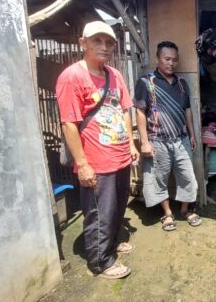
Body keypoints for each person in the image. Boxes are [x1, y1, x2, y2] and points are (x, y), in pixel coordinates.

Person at [56, 21, 140, 279]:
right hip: (95, 160)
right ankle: (100, 262)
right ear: (83, 43)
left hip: (120, 156)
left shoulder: (114, 74)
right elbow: (69, 123)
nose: (104, 47)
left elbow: (125, 109)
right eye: (97, 41)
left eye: (109, 42)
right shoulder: (72, 77)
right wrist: (82, 164)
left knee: (116, 207)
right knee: (98, 213)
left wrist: (131, 144)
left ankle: (111, 245)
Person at [134, 41, 202, 231]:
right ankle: (167, 213)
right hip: (157, 141)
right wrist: (144, 142)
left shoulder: (181, 84)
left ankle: (185, 210)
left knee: (188, 177)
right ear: (157, 59)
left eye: (174, 60)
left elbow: (187, 110)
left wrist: (192, 134)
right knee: (158, 178)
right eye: (167, 59)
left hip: (181, 139)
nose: (171, 63)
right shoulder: (146, 83)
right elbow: (140, 112)